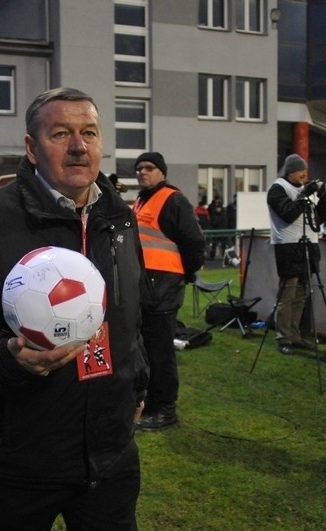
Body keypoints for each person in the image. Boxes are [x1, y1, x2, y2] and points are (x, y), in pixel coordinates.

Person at [0, 87, 148, 530]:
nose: (79, 147)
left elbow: (134, 313)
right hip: (21, 461)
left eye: (90, 133)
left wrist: (138, 384)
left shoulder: (119, 217)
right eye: (61, 133)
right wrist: (8, 357)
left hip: (110, 456)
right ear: (31, 147)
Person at [131, 151, 205, 431]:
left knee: (160, 352)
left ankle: (165, 410)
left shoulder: (172, 199)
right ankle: (150, 403)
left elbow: (194, 242)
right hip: (148, 286)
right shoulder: (142, 200)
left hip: (163, 286)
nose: (142, 172)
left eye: (149, 168)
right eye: (138, 168)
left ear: (162, 172)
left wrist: (184, 273)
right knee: (147, 349)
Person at [267, 154, 326, 355]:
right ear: (290, 171)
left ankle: (295, 336)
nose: (305, 174)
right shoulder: (277, 190)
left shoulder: (303, 190)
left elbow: (316, 220)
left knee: (302, 294)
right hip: (288, 246)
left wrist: (325, 200)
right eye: (301, 170)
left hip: (309, 244)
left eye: (306, 170)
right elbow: (288, 214)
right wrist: (304, 196)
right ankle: (283, 337)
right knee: (288, 294)